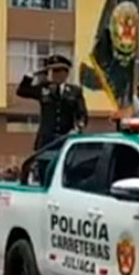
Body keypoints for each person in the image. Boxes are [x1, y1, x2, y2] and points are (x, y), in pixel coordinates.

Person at [16, 54, 88, 183]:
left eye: (58, 71)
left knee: (63, 174)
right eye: (52, 71)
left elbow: (82, 114)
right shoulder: (44, 89)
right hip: (46, 140)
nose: (54, 74)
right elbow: (22, 91)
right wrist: (34, 73)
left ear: (66, 73)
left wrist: (78, 128)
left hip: (65, 139)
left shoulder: (74, 91)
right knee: (44, 172)